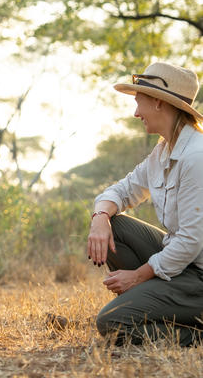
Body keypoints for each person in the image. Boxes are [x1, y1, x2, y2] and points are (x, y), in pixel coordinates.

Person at [88, 62, 203, 347]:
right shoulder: (163, 151)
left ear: (159, 102)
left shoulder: (195, 156)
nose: (136, 112)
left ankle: (194, 334)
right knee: (115, 225)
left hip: (198, 274)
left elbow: (190, 241)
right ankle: (150, 306)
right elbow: (123, 190)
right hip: (182, 265)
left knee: (111, 323)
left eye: (139, 103)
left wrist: (138, 277)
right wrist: (100, 216)